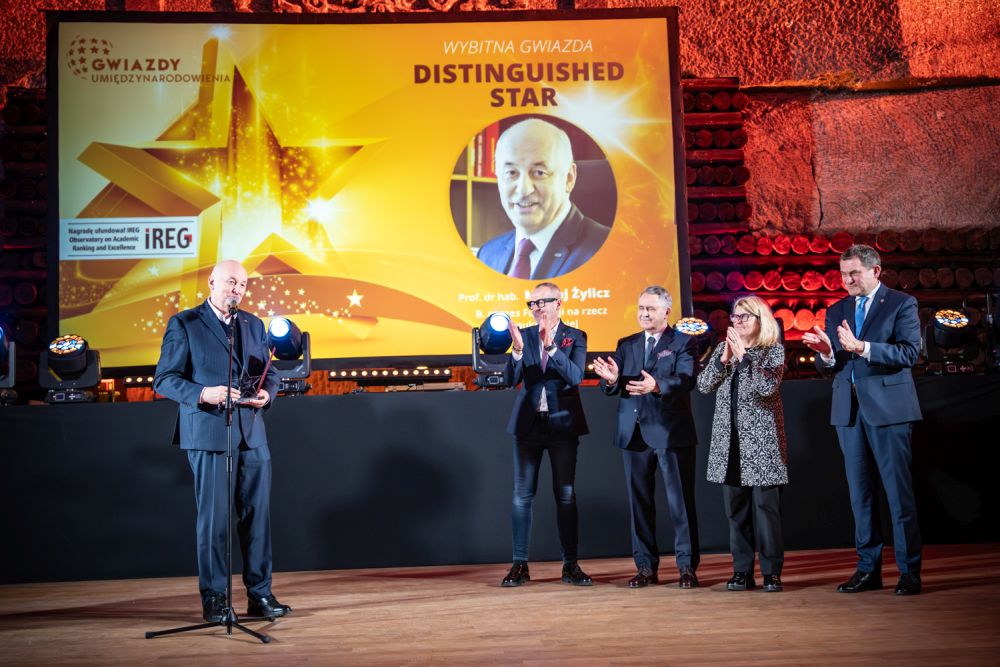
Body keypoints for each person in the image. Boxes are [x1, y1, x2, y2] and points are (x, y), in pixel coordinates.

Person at [153, 260, 292, 621]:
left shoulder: (253, 324)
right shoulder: (185, 323)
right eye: (231, 282)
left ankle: (260, 595)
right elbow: (165, 379)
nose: (237, 290)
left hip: (252, 434)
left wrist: (267, 393)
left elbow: (269, 373)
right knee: (214, 521)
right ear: (212, 282)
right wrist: (204, 393)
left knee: (256, 519)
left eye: (242, 284)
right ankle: (215, 599)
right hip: (210, 432)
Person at [802, 244, 923, 596]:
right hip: (849, 412)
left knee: (898, 495)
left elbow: (909, 353)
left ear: (876, 271)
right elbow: (834, 364)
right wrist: (827, 353)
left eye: (854, 273)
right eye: (843, 274)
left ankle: (909, 571)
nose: (848, 280)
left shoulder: (901, 303)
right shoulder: (837, 309)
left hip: (889, 410)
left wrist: (863, 347)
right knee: (861, 496)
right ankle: (868, 569)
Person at [592, 286, 700, 589]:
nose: (644, 314)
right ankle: (645, 567)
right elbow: (613, 385)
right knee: (639, 504)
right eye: (641, 308)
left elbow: (686, 380)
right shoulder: (626, 344)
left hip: (670, 433)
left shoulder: (683, 342)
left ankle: (686, 567)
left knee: (680, 504)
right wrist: (611, 381)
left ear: (666, 311)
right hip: (634, 434)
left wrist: (657, 385)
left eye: (650, 309)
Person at [499, 281, 592, 587]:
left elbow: (575, 376)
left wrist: (551, 347)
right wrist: (516, 352)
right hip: (528, 425)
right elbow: (509, 379)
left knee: (565, 494)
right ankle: (519, 564)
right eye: (532, 303)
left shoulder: (575, 336)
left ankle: (570, 565)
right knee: (522, 496)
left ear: (558, 304)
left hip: (562, 425)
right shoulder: (524, 336)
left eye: (542, 302)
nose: (537, 308)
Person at [697, 296, 788, 593]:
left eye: (744, 317)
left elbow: (766, 388)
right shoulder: (723, 350)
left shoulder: (772, 351)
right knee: (736, 512)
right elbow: (703, 386)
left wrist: (744, 357)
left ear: (761, 320)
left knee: (766, 511)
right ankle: (742, 571)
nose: (737, 322)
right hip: (730, 443)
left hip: (762, 445)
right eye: (734, 317)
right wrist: (723, 360)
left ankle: (771, 573)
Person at [477, 118, 610, 280]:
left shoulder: (609, 251)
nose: (524, 190)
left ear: (569, 179)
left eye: (539, 173)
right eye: (511, 173)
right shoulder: (487, 255)